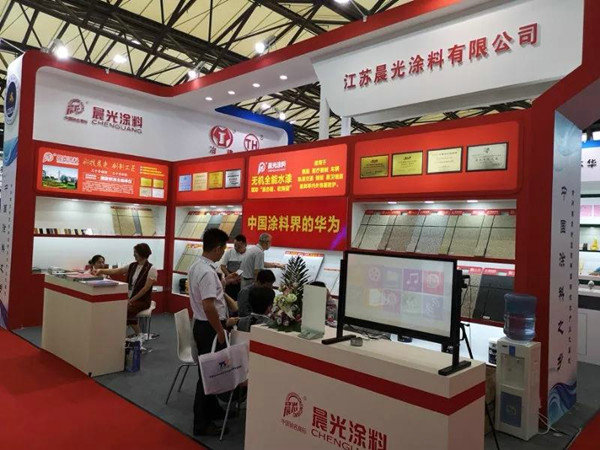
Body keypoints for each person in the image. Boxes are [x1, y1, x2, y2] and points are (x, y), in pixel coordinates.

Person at [188, 228, 239, 436]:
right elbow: (209, 306)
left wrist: (225, 282)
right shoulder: (208, 272)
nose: (222, 253)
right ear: (217, 248)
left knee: (211, 373)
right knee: (207, 375)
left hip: (203, 325)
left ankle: (213, 410)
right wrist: (219, 331)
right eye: (223, 249)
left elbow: (210, 293)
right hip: (210, 327)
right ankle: (202, 423)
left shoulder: (197, 266)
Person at [93, 243, 157, 336]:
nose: (134, 254)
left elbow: (145, 289)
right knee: (117, 308)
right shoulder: (132, 265)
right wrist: (101, 270)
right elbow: (117, 271)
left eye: (135, 252)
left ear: (141, 253)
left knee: (125, 310)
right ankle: (123, 334)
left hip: (142, 300)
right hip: (129, 298)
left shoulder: (152, 269)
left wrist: (131, 300)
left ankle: (139, 334)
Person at [219, 234, 247, 300]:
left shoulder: (249, 253)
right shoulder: (229, 252)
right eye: (235, 246)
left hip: (243, 282)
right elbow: (222, 266)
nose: (236, 248)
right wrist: (230, 276)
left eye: (239, 246)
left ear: (245, 244)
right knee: (229, 300)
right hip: (230, 282)